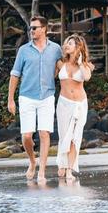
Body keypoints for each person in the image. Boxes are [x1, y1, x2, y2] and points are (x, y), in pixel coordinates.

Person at [8, 16, 61, 182]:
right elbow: (15, 75)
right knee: (26, 136)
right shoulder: (24, 50)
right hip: (26, 97)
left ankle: (42, 171)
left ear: (44, 29)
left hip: (47, 96)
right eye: (30, 28)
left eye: (35, 28)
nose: (31, 31)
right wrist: (10, 100)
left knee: (44, 133)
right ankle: (32, 161)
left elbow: (62, 68)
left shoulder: (55, 49)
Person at [55, 34, 95, 181]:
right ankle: (62, 164)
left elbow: (87, 77)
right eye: (66, 43)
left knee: (75, 138)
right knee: (63, 135)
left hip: (80, 104)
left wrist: (80, 63)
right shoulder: (60, 63)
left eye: (70, 43)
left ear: (78, 47)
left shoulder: (84, 65)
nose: (67, 45)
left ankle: (69, 170)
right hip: (64, 103)